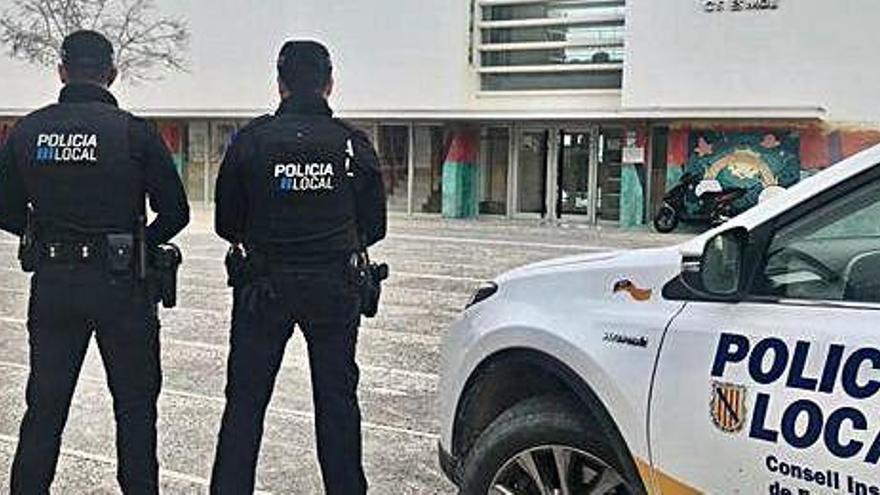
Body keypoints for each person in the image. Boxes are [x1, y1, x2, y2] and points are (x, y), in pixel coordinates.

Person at [0, 30, 190, 494]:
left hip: (55, 285)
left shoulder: (27, 131)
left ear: (62, 72)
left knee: (44, 408)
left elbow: (3, 210)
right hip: (122, 287)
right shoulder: (134, 132)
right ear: (112, 73)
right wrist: (137, 243)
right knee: (135, 410)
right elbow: (176, 211)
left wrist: (41, 231)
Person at [210, 40, 386, 495]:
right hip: (334, 288)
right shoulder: (353, 143)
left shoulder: (250, 141)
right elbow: (375, 226)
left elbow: (226, 223)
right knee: (337, 403)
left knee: (245, 406)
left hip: (262, 290)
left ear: (281, 84)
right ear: (329, 83)